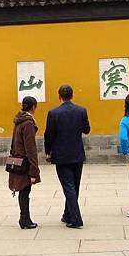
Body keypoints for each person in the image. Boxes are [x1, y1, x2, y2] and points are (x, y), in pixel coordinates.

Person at [44, 85, 90, 228]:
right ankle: (67, 214)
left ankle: (76, 219)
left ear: (59, 96)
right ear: (72, 95)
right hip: (77, 153)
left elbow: (49, 135)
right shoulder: (81, 111)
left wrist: (48, 152)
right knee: (74, 186)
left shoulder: (53, 113)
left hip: (61, 155)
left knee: (68, 186)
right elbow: (87, 130)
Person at [8, 96, 41, 229]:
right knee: (25, 190)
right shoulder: (28, 123)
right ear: (33, 107)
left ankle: (25, 218)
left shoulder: (18, 120)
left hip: (17, 159)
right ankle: (25, 219)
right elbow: (30, 149)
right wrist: (34, 171)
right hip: (25, 162)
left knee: (23, 190)